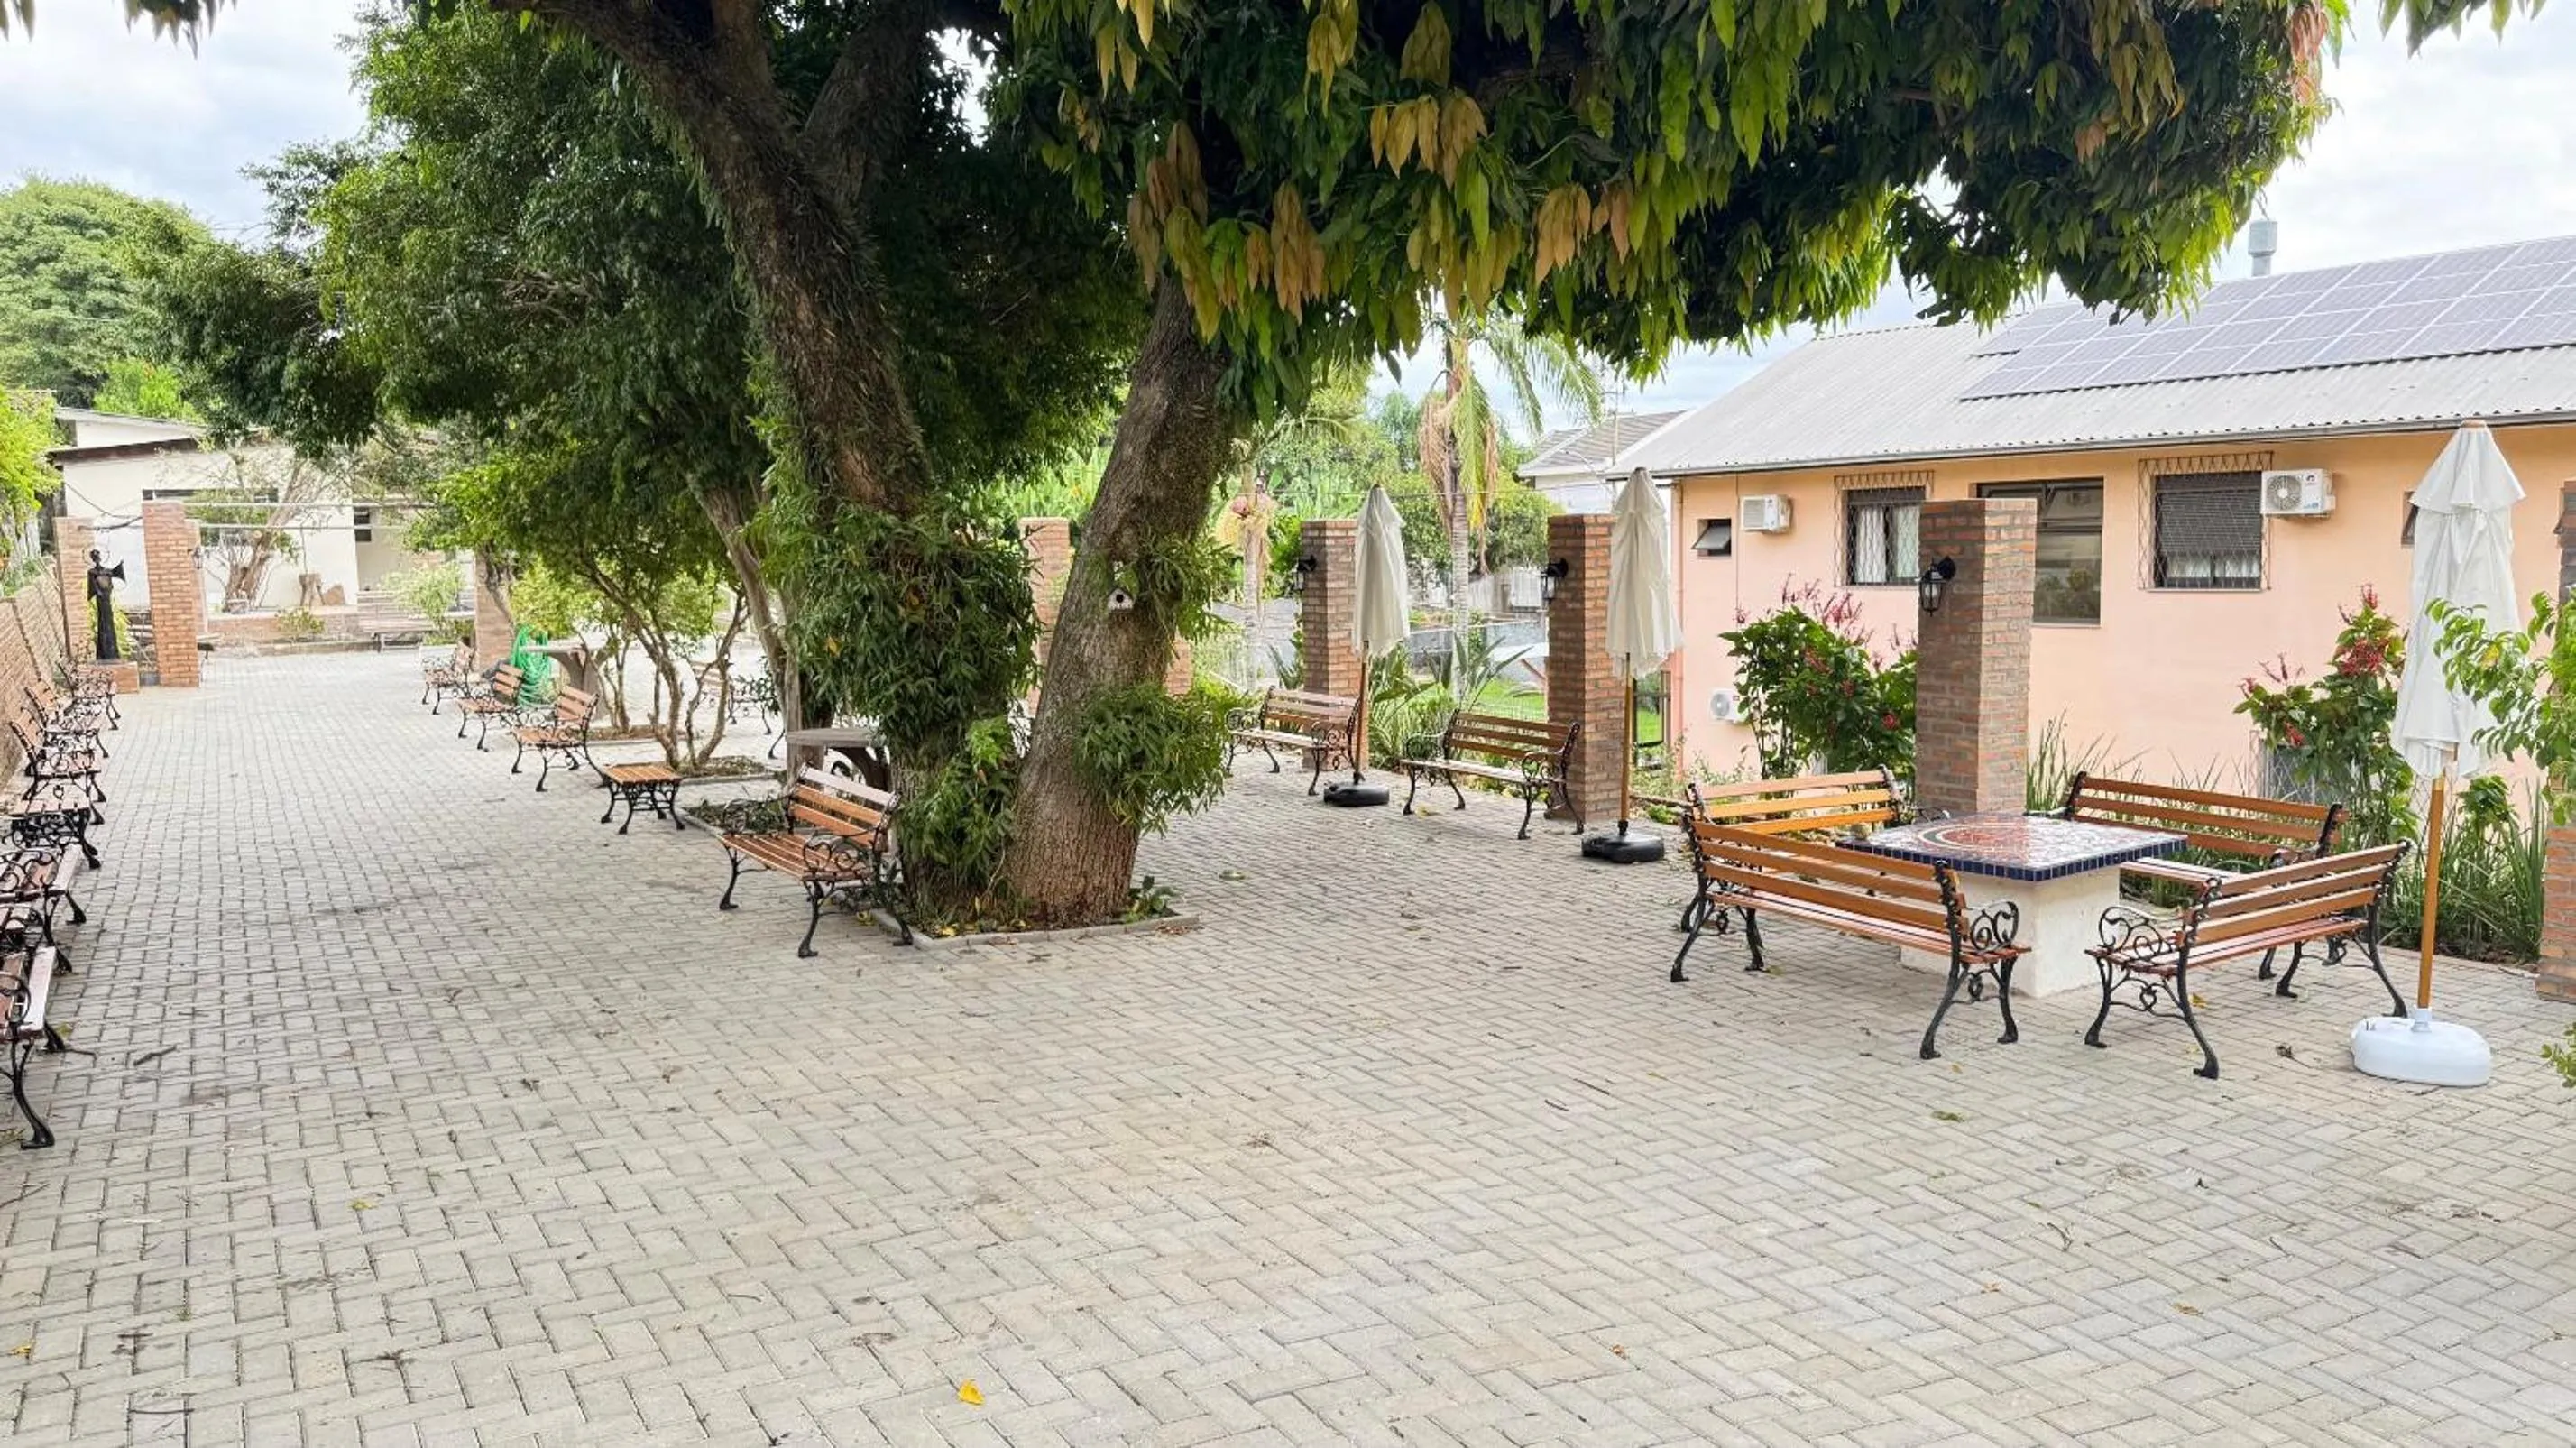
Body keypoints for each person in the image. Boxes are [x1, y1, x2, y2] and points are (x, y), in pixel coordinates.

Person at [87, 549, 122, 660]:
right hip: (101, 601)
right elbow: (93, 588)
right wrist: (99, 592)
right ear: (92, 559)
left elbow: (111, 583)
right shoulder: (92, 572)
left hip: (107, 599)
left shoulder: (107, 571)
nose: (97, 559)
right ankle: (104, 652)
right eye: (94, 557)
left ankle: (112, 652)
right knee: (103, 622)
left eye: (97, 557)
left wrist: (106, 590)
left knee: (109, 623)